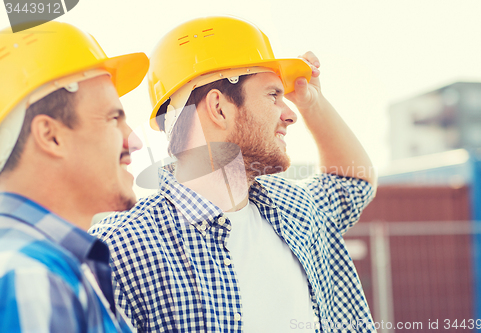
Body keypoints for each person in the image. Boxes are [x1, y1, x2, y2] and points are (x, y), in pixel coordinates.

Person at [90, 16, 377, 332]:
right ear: (219, 108)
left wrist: (313, 102)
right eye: (273, 95)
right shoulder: (121, 250)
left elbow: (352, 183)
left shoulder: (292, 204)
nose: (290, 114)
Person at [0, 21, 148, 332]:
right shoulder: (33, 276)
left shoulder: (52, 267)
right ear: (51, 136)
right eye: (113, 118)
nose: (134, 141)